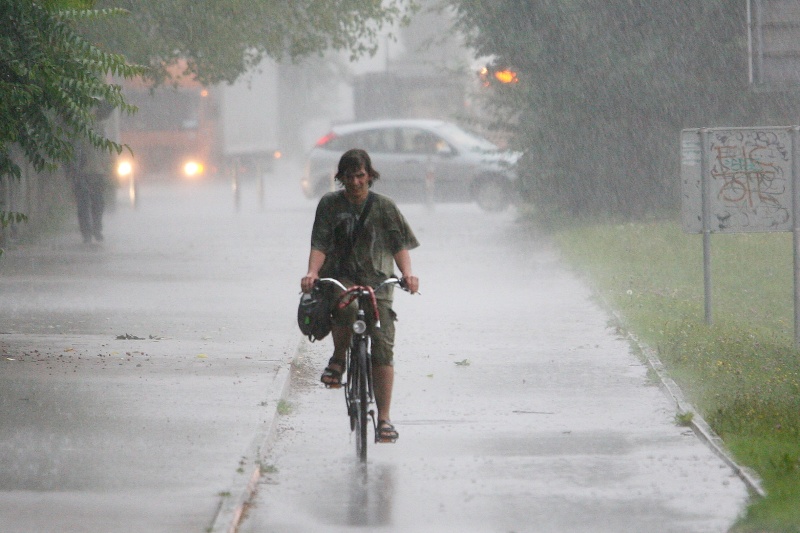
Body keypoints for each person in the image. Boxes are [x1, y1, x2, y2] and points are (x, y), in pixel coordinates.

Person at [300, 148, 420, 443]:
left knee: (382, 349)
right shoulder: (329, 205)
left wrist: (408, 274)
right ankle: (339, 359)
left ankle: (383, 419)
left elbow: (399, 244)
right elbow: (320, 244)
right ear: (340, 178)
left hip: (379, 282)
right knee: (345, 308)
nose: (356, 182)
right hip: (342, 278)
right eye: (350, 177)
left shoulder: (385, 207)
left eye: (361, 176)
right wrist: (313, 273)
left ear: (370, 176)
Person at [65, 104, 113, 244]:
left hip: (95, 172)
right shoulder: (83, 128)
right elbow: (77, 150)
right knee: (90, 204)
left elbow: (104, 151)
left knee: (92, 204)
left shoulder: (99, 128)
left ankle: (92, 231)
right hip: (86, 172)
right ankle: (90, 232)